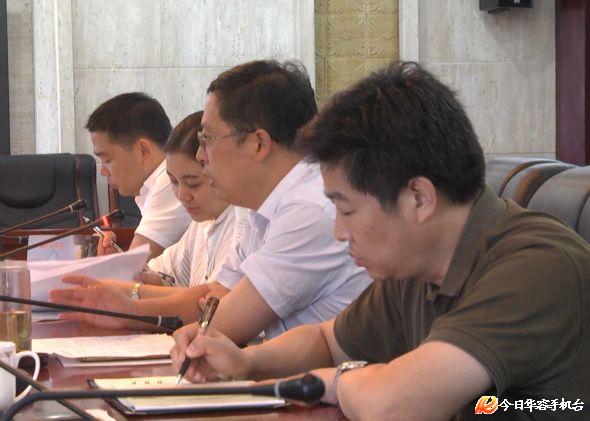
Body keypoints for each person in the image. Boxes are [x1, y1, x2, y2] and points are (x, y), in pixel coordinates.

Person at [169, 62, 590, 420]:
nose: (338, 231)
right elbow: (327, 341)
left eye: (347, 210)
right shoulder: (418, 265)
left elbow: (392, 403)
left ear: (418, 197)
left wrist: (334, 383)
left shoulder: (536, 267)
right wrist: (246, 361)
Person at [51, 60, 371, 344]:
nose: (201, 156)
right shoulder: (262, 207)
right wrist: (123, 301)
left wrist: (130, 310)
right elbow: (212, 296)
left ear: (258, 143)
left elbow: (224, 322)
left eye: (207, 139)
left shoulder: (309, 209)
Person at [62, 111, 247, 303]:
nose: (182, 196)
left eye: (193, 184)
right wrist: (124, 268)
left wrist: (129, 290)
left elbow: (208, 304)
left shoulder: (242, 225)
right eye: (174, 182)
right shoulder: (201, 224)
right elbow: (165, 276)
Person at [86, 92, 191, 259]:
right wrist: (115, 257)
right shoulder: (154, 184)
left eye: (107, 160)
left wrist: (114, 263)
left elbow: (132, 267)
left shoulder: (170, 182)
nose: (102, 171)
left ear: (143, 151)